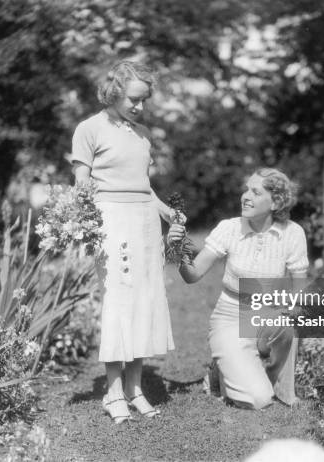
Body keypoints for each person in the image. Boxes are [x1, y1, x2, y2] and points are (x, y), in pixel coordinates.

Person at [70, 60, 181, 423]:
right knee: (119, 302)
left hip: (145, 222)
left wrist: (166, 212)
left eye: (145, 100)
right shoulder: (89, 129)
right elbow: (81, 184)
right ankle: (113, 391)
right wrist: (81, 222)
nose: (140, 107)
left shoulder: (143, 134)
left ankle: (135, 388)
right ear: (115, 92)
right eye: (134, 99)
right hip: (111, 221)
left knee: (144, 301)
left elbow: (143, 186)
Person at [168, 168, 308, 409]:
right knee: (257, 399)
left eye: (255, 191)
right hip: (231, 316)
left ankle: (281, 387)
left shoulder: (293, 233)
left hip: (269, 315)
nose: (245, 196)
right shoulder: (229, 228)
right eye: (246, 189)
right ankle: (220, 372)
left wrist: (292, 307)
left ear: (275, 202)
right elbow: (193, 275)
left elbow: (298, 284)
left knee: (288, 325)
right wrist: (179, 250)